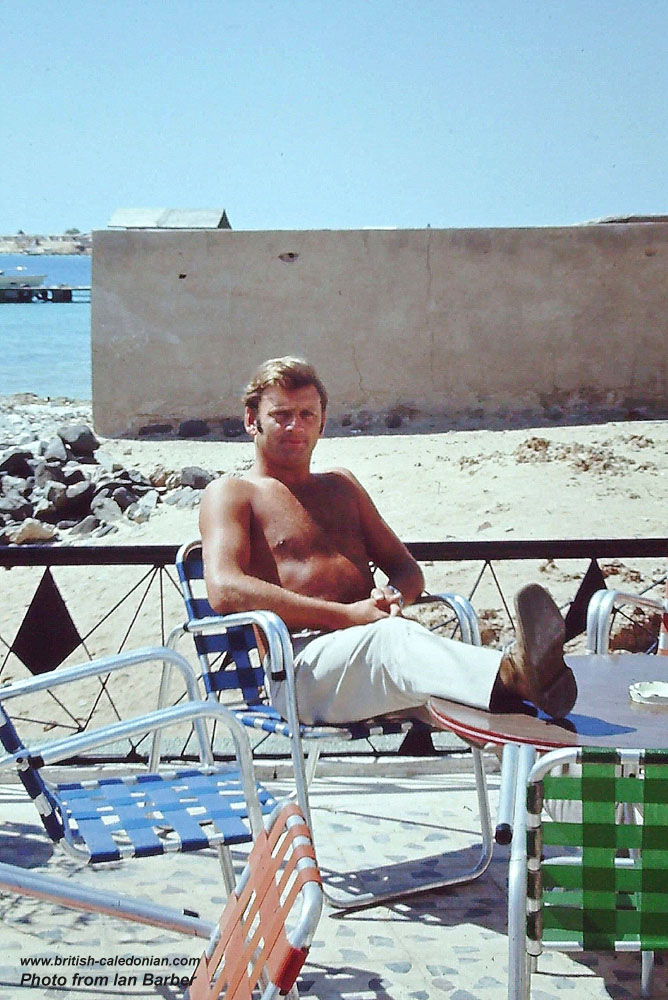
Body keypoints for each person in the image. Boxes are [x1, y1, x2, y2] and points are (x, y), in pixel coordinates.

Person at [199, 356, 577, 727]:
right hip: (300, 668)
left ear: (322, 424)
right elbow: (225, 589)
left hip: (379, 652)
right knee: (395, 641)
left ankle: (526, 707)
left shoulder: (342, 486)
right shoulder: (233, 493)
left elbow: (406, 570)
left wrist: (392, 596)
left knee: (489, 716)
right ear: (251, 421)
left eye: (307, 415)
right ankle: (513, 673)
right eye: (280, 415)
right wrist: (347, 616)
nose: (295, 426)